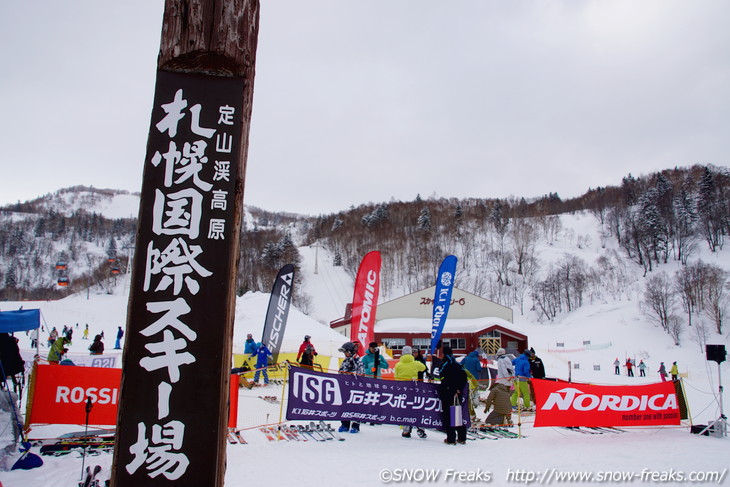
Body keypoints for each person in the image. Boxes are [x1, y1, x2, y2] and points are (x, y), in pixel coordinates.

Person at [394, 345, 427, 438]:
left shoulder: (398, 365)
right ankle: (421, 429)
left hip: (403, 390)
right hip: (414, 389)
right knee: (417, 409)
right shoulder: (415, 363)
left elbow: (396, 377)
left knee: (405, 410)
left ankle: (406, 430)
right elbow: (423, 368)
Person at [439, 346, 468, 445]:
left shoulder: (446, 364)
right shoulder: (457, 364)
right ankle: (462, 437)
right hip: (457, 393)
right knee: (457, 414)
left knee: (448, 415)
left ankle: (451, 439)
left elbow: (441, 375)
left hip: (448, 392)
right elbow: (464, 377)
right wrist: (459, 388)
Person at [337, 342, 364, 433]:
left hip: (356, 389)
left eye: (346, 352)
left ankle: (356, 425)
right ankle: (345, 424)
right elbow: (340, 372)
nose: (345, 354)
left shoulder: (358, 361)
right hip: (346, 388)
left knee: (356, 406)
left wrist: (353, 373)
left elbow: (361, 373)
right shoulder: (345, 361)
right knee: (345, 406)